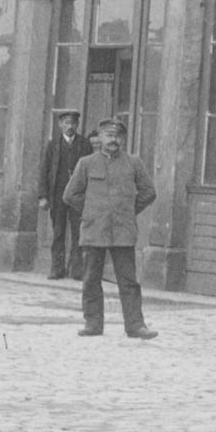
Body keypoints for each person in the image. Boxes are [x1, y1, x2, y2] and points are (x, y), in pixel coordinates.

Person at [65, 117, 159, 340]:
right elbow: (70, 195)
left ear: (123, 139)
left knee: (128, 281)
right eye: (108, 135)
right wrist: (91, 211)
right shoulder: (86, 163)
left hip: (122, 231)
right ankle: (93, 323)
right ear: (99, 138)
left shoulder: (134, 163)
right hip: (94, 229)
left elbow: (149, 192)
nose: (113, 140)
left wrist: (128, 210)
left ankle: (135, 326)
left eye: (117, 136)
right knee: (90, 279)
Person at [39, 109, 89, 278]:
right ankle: (57, 268)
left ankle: (76, 269)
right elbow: (44, 171)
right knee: (58, 232)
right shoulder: (53, 145)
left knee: (78, 232)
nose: (70, 127)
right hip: (58, 194)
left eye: (73, 123)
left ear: (77, 125)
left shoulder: (84, 144)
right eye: (66, 123)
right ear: (60, 125)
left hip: (78, 196)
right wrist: (43, 196)